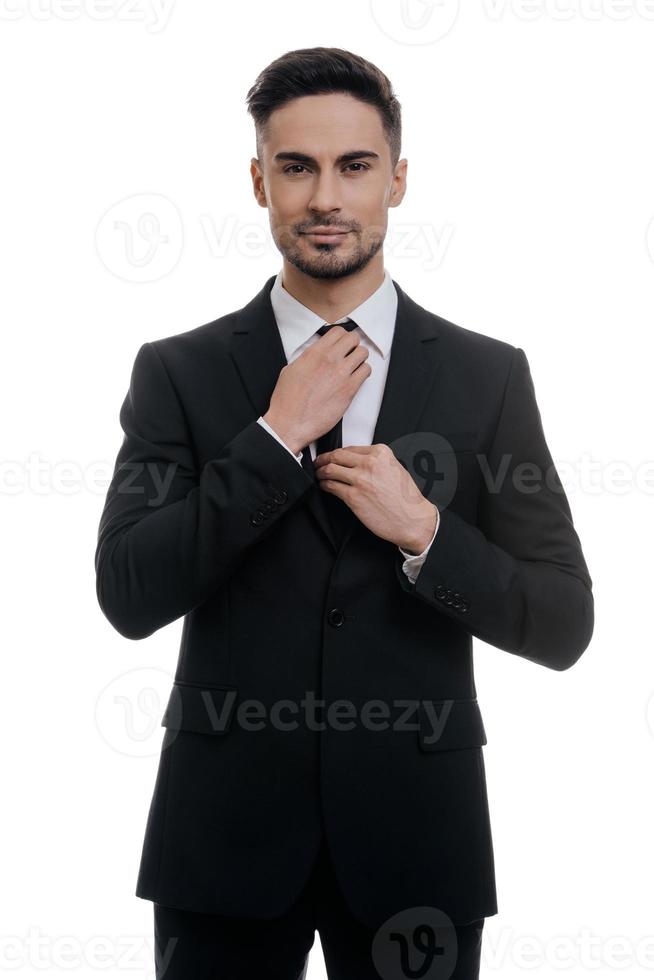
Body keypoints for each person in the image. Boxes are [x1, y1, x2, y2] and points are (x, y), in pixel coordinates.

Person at [95, 46, 594, 980]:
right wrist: (275, 438)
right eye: (297, 166)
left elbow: (564, 621)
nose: (327, 195)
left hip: (420, 846)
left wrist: (428, 536)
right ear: (259, 182)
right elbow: (127, 593)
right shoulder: (177, 371)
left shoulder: (489, 376)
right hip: (223, 846)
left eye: (354, 166)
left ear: (397, 180)